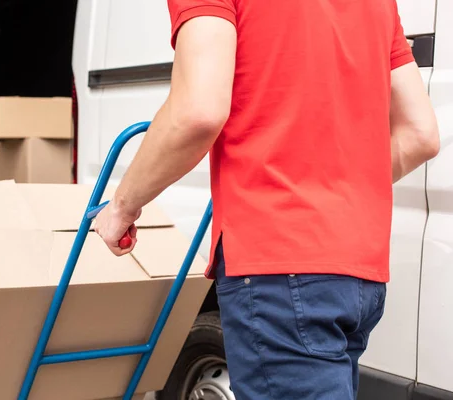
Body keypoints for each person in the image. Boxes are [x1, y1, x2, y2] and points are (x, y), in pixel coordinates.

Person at [93, 0, 440, 398]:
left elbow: (197, 111)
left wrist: (122, 206)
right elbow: (420, 134)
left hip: (280, 265)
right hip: (359, 272)